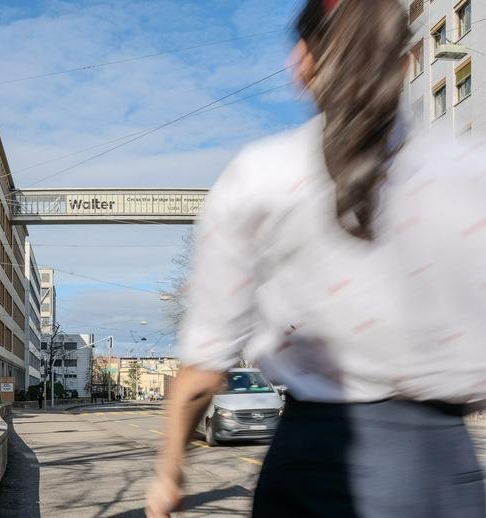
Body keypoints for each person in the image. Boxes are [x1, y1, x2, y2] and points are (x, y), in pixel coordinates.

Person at [146, 0, 486, 516]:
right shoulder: (470, 172)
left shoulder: (260, 177)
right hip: (444, 471)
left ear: (303, 65)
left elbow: (203, 371)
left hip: (317, 463)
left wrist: (168, 473)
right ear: (407, 64)